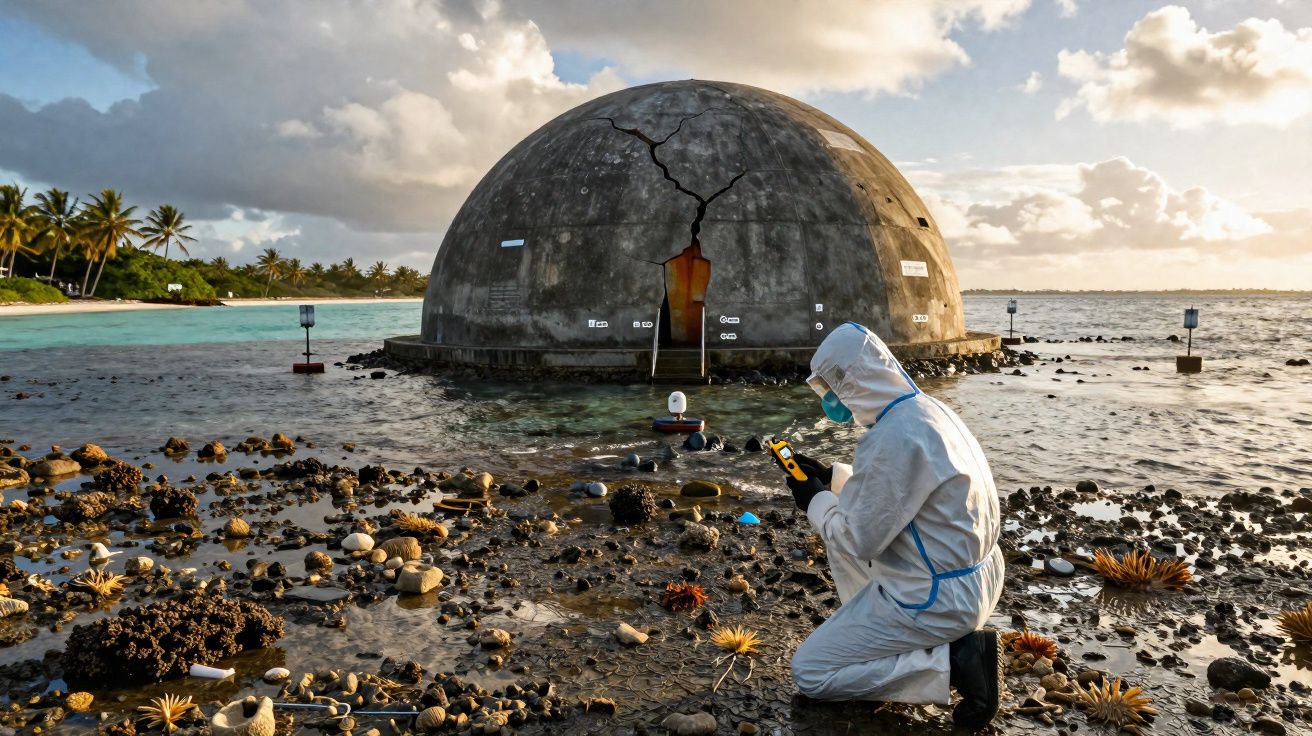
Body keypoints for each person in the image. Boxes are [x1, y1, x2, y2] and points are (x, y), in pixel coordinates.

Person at [785, 322, 1005, 730]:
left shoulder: (890, 438)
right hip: (979, 578)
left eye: (832, 386)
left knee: (811, 673)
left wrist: (812, 500)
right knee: (838, 512)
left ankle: (955, 664)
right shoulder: (928, 411)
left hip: (937, 600)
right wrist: (831, 477)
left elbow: (857, 539)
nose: (830, 400)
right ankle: (883, 643)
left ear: (854, 381)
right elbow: (897, 493)